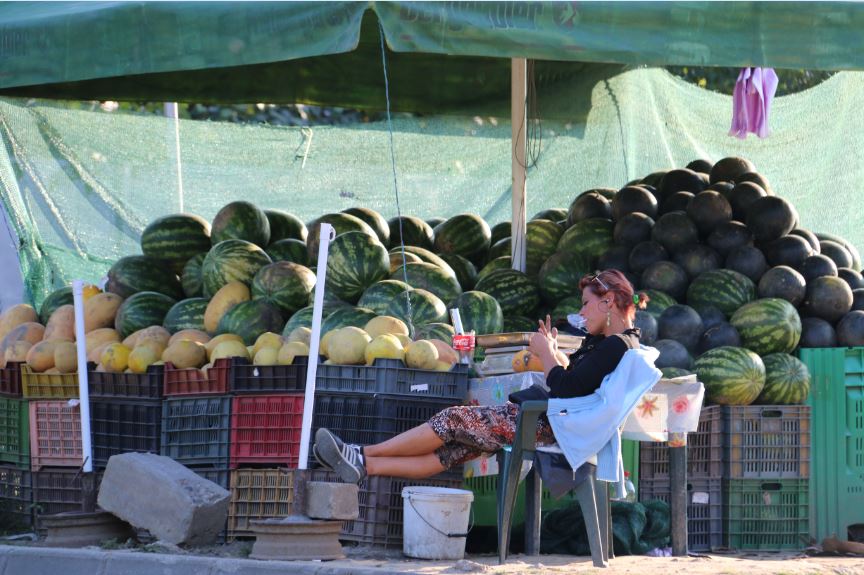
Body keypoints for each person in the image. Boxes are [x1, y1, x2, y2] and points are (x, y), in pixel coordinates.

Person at [313, 269, 649, 484]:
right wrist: (552, 351)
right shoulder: (614, 343)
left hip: (551, 425)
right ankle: (363, 465)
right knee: (453, 450)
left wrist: (546, 354)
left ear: (608, 301)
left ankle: (360, 453)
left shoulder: (616, 346)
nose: (582, 313)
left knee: (453, 418)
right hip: (557, 422)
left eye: (587, 304)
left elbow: (565, 389)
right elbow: (577, 384)